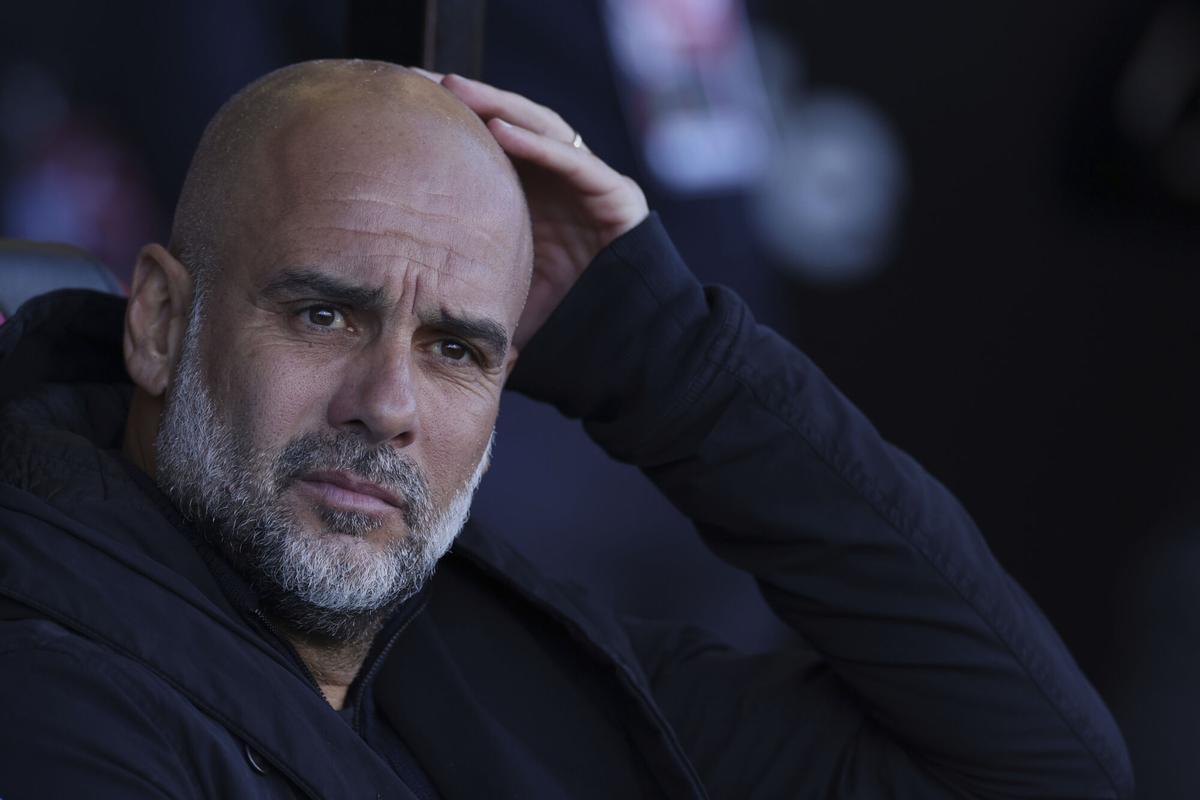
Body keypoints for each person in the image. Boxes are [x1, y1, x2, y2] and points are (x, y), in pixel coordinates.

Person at [0, 60, 1131, 799]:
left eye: (457, 349)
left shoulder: (507, 664)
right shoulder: (49, 700)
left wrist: (661, 348)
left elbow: (1039, 770)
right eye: (323, 314)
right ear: (160, 322)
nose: (387, 403)